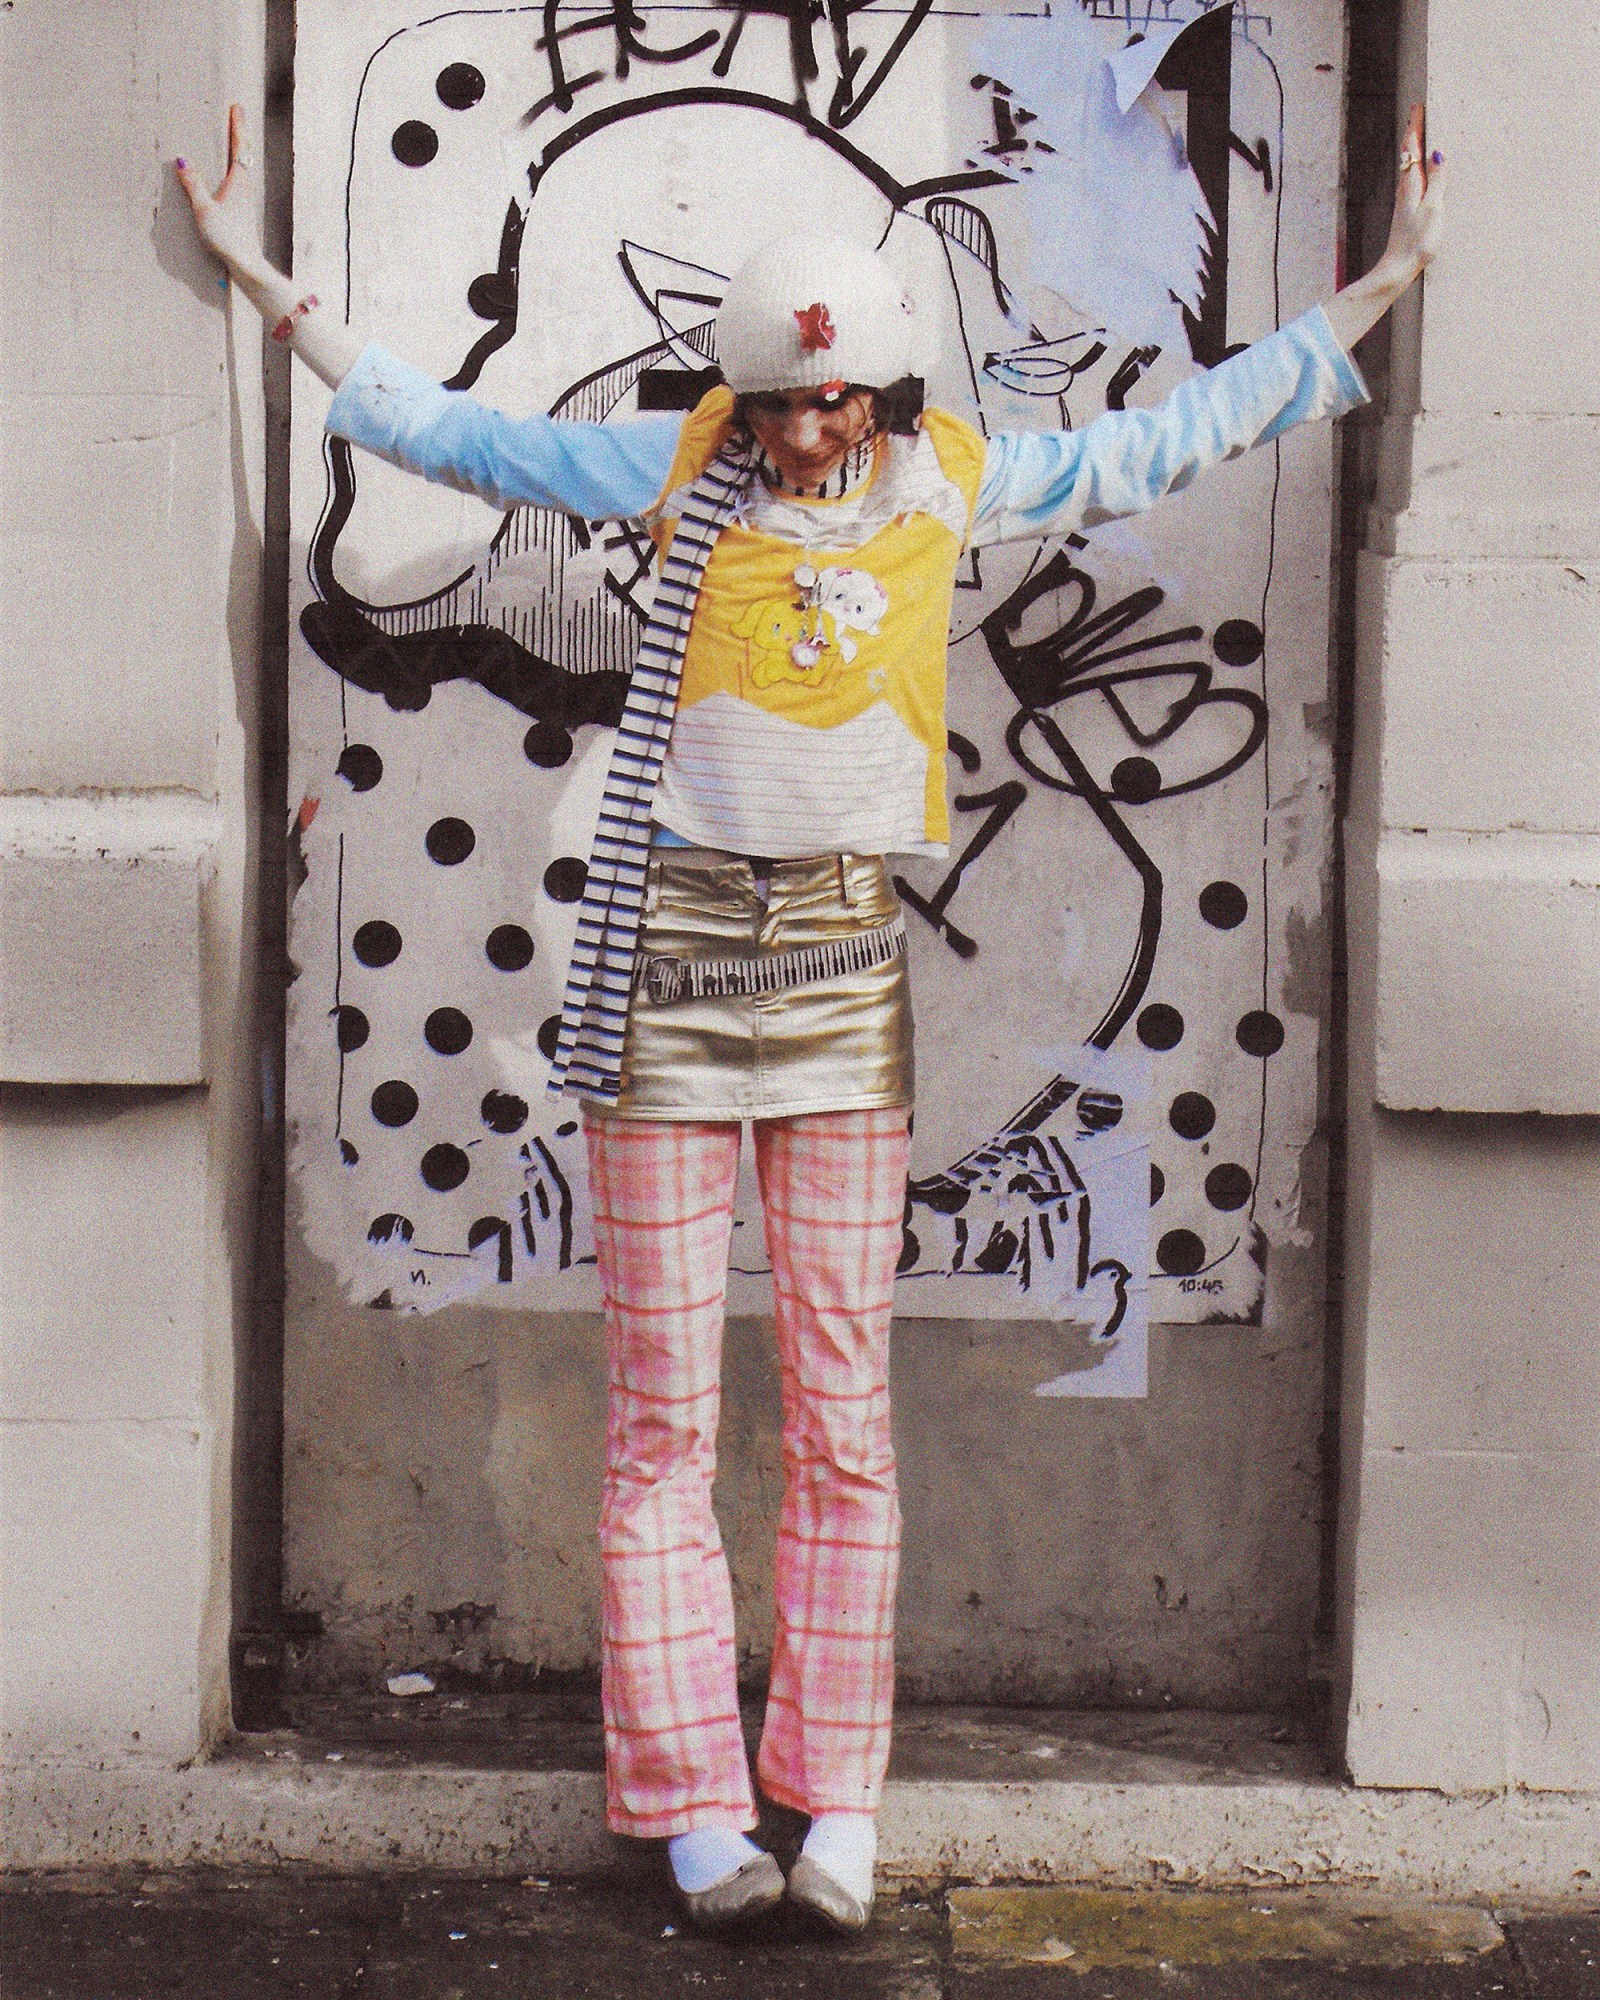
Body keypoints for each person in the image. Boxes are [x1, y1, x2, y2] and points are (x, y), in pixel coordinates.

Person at [178, 103, 1443, 1933]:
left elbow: (1165, 436)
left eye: (841, 402)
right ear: (744, 394)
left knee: (847, 1418)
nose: (812, 432)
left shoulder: (951, 488)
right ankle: (691, 1798)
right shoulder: (671, 475)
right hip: (664, 976)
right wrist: (266, 285)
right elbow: (470, 438)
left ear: (894, 398)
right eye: (781, 400)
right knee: (659, 1424)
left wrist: (1383, 286)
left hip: (845, 975)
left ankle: (834, 1797)